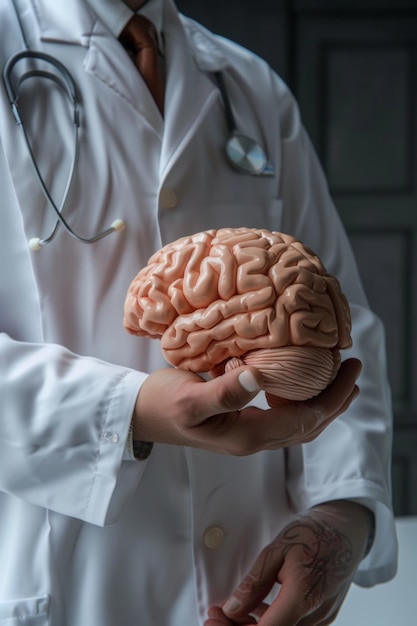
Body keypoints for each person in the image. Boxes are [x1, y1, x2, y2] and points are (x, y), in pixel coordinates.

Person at [0, 0, 397, 625]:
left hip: (251, 581)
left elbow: (339, 322)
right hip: (67, 582)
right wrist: (126, 413)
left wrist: (342, 510)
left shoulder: (247, 85)